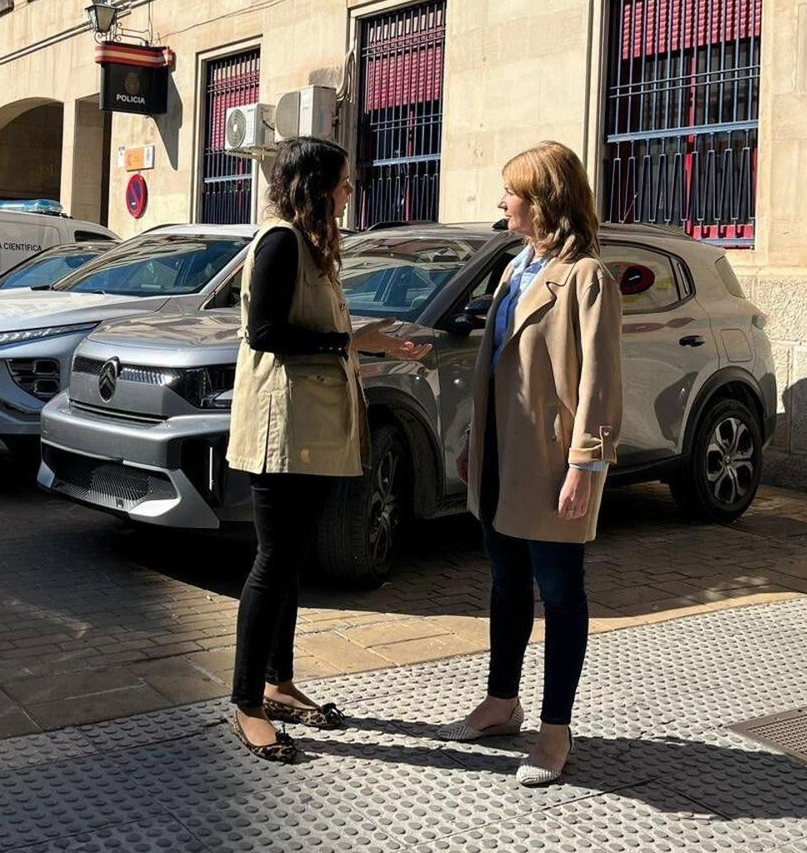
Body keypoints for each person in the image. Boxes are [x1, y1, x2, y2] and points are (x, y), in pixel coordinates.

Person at [226, 136, 431, 763]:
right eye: (342, 181)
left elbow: (316, 331)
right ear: (312, 184)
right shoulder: (282, 240)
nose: (350, 190)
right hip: (281, 430)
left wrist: (366, 340)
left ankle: (278, 682)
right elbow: (266, 333)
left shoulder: (312, 245)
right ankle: (245, 703)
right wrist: (351, 338)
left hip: (310, 430)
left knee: (289, 561)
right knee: (273, 561)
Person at [441, 140, 623, 787]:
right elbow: (496, 368)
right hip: (499, 459)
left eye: (511, 192)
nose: (501, 202)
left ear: (542, 200)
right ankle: (501, 702)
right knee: (505, 584)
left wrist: (586, 466)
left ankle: (554, 729)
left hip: (551, 465)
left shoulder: (587, 278)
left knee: (562, 593)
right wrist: (472, 443)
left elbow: (601, 384)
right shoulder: (517, 267)